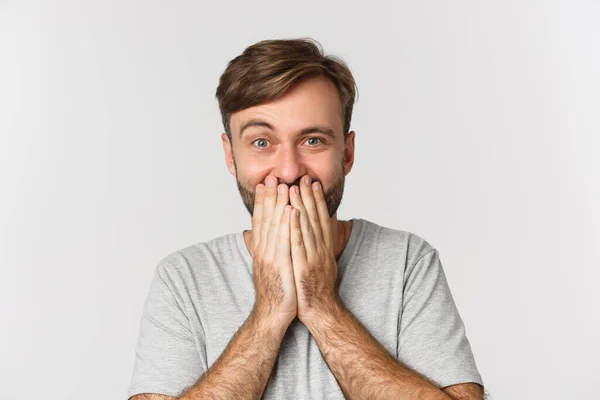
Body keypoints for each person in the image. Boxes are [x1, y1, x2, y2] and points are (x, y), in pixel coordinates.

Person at [127, 38, 485, 400]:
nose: (288, 170)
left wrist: (321, 305)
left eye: (313, 141)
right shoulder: (183, 277)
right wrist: (269, 311)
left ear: (347, 154)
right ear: (231, 156)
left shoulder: (408, 261)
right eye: (262, 142)